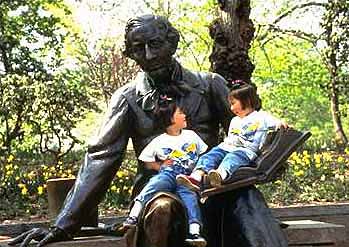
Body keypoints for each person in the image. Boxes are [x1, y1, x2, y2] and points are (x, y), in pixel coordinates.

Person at [9, 14, 287, 247]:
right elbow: (100, 158)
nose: (149, 55)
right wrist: (62, 226)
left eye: (155, 44)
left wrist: (270, 159)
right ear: (130, 52)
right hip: (159, 190)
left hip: (212, 188)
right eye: (139, 48)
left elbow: (249, 131)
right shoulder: (127, 98)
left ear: (172, 43)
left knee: (246, 199)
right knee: (162, 211)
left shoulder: (210, 85)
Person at [123, 99, 207, 246]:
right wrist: (160, 166)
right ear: (171, 119)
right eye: (180, 113)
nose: (184, 115)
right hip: (168, 173)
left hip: (187, 178)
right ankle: (134, 215)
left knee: (191, 201)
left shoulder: (191, 136)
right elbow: (145, 159)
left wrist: (199, 170)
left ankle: (194, 232)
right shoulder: (160, 141)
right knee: (153, 186)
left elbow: (203, 154)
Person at [177, 80, 286, 190]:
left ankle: (219, 176)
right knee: (209, 156)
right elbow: (230, 139)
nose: (231, 108)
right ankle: (196, 177)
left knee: (231, 159)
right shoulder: (235, 120)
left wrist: (281, 123)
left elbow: (277, 123)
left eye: (233, 103)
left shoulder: (261, 116)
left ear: (247, 101)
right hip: (226, 147)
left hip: (245, 151)